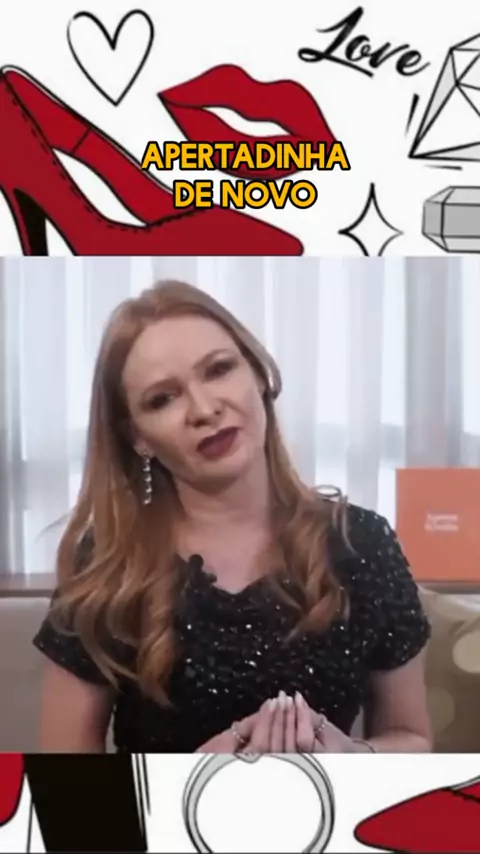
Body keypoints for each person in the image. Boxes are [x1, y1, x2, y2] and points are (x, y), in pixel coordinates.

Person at [33, 280, 432, 754]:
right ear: (137, 436)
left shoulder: (362, 543)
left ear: (259, 374)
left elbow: (413, 739)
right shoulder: (107, 561)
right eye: (163, 399)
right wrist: (188, 777)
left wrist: (352, 758)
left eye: (219, 369)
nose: (204, 410)